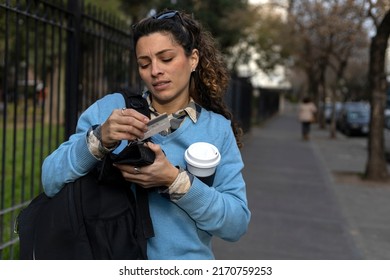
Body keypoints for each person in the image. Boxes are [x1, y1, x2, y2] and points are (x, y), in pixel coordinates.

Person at [41, 9, 250, 260]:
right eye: (144, 63)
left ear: (193, 59)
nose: (155, 71)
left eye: (166, 58)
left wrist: (174, 180)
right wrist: (99, 140)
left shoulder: (217, 129)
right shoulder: (111, 109)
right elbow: (50, 179)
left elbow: (236, 224)